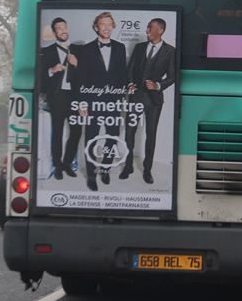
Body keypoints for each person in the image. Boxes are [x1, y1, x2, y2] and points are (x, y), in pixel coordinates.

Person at [120, 18, 176, 184]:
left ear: (160, 30)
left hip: (154, 99)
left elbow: (173, 76)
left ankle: (147, 170)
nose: (146, 31)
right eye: (147, 27)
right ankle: (128, 165)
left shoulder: (170, 51)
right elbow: (130, 70)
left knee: (151, 134)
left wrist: (158, 85)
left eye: (150, 28)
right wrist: (130, 84)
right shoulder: (139, 48)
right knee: (129, 131)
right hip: (136, 96)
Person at [75, 12, 127, 191]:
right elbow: (80, 78)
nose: (106, 28)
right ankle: (91, 175)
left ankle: (105, 169)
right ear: (96, 27)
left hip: (112, 102)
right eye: (102, 25)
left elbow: (122, 74)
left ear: (113, 27)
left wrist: (121, 94)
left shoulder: (120, 48)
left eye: (109, 24)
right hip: (92, 102)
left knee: (112, 137)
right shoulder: (86, 49)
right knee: (91, 138)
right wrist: (82, 103)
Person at [40, 17, 82, 179]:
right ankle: (57, 166)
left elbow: (87, 74)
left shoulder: (78, 50)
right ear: (54, 32)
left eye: (65, 27)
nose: (63, 30)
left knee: (76, 132)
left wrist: (77, 63)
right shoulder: (47, 51)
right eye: (59, 28)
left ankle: (67, 163)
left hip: (75, 96)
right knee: (57, 132)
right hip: (58, 96)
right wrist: (52, 69)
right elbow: (41, 77)